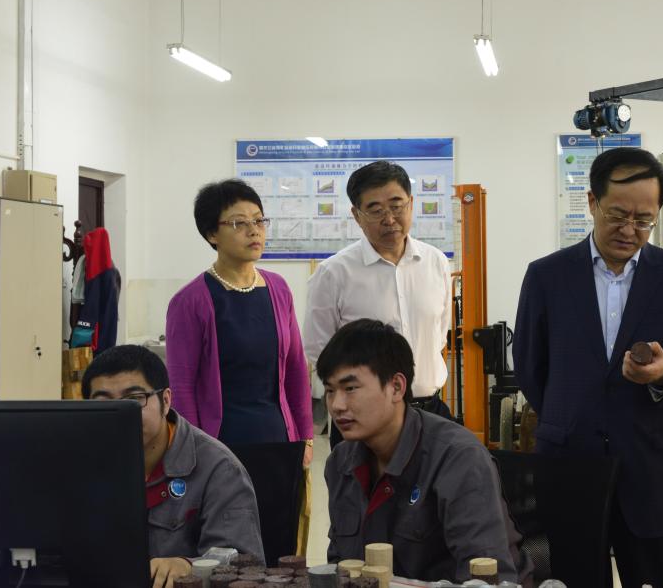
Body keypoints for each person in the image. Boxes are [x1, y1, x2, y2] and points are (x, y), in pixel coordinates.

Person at [513, 146, 663, 588]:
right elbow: (530, 367)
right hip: (570, 466)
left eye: (644, 220)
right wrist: (573, 417)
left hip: (653, 469)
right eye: (617, 215)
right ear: (592, 202)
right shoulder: (547, 276)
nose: (629, 230)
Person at [320, 319, 532, 586]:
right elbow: (340, 565)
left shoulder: (458, 459)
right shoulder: (340, 463)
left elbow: (487, 580)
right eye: (330, 391)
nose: (337, 405)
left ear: (396, 387)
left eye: (350, 388)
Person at [82, 345, 264, 588]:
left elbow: (245, 565)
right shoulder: (79, 464)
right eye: (104, 403)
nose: (119, 414)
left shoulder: (219, 469)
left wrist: (189, 566)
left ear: (165, 401)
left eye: (135, 399)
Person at [304, 161, 453, 447]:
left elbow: (438, 335)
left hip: (429, 414)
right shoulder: (334, 273)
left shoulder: (436, 262)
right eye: (375, 210)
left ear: (411, 204)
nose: (389, 218)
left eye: (396, 206)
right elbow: (319, 350)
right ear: (357, 216)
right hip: (364, 420)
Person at [166, 179, 313, 467]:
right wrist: (195, 452)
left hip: (280, 440)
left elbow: (296, 368)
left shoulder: (278, 289)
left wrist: (305, 437)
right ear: (212, 234)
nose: (253, 230)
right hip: (221, 448)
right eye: (238, 223)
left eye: (259, 220)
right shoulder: (190, 301)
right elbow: (181, 389)